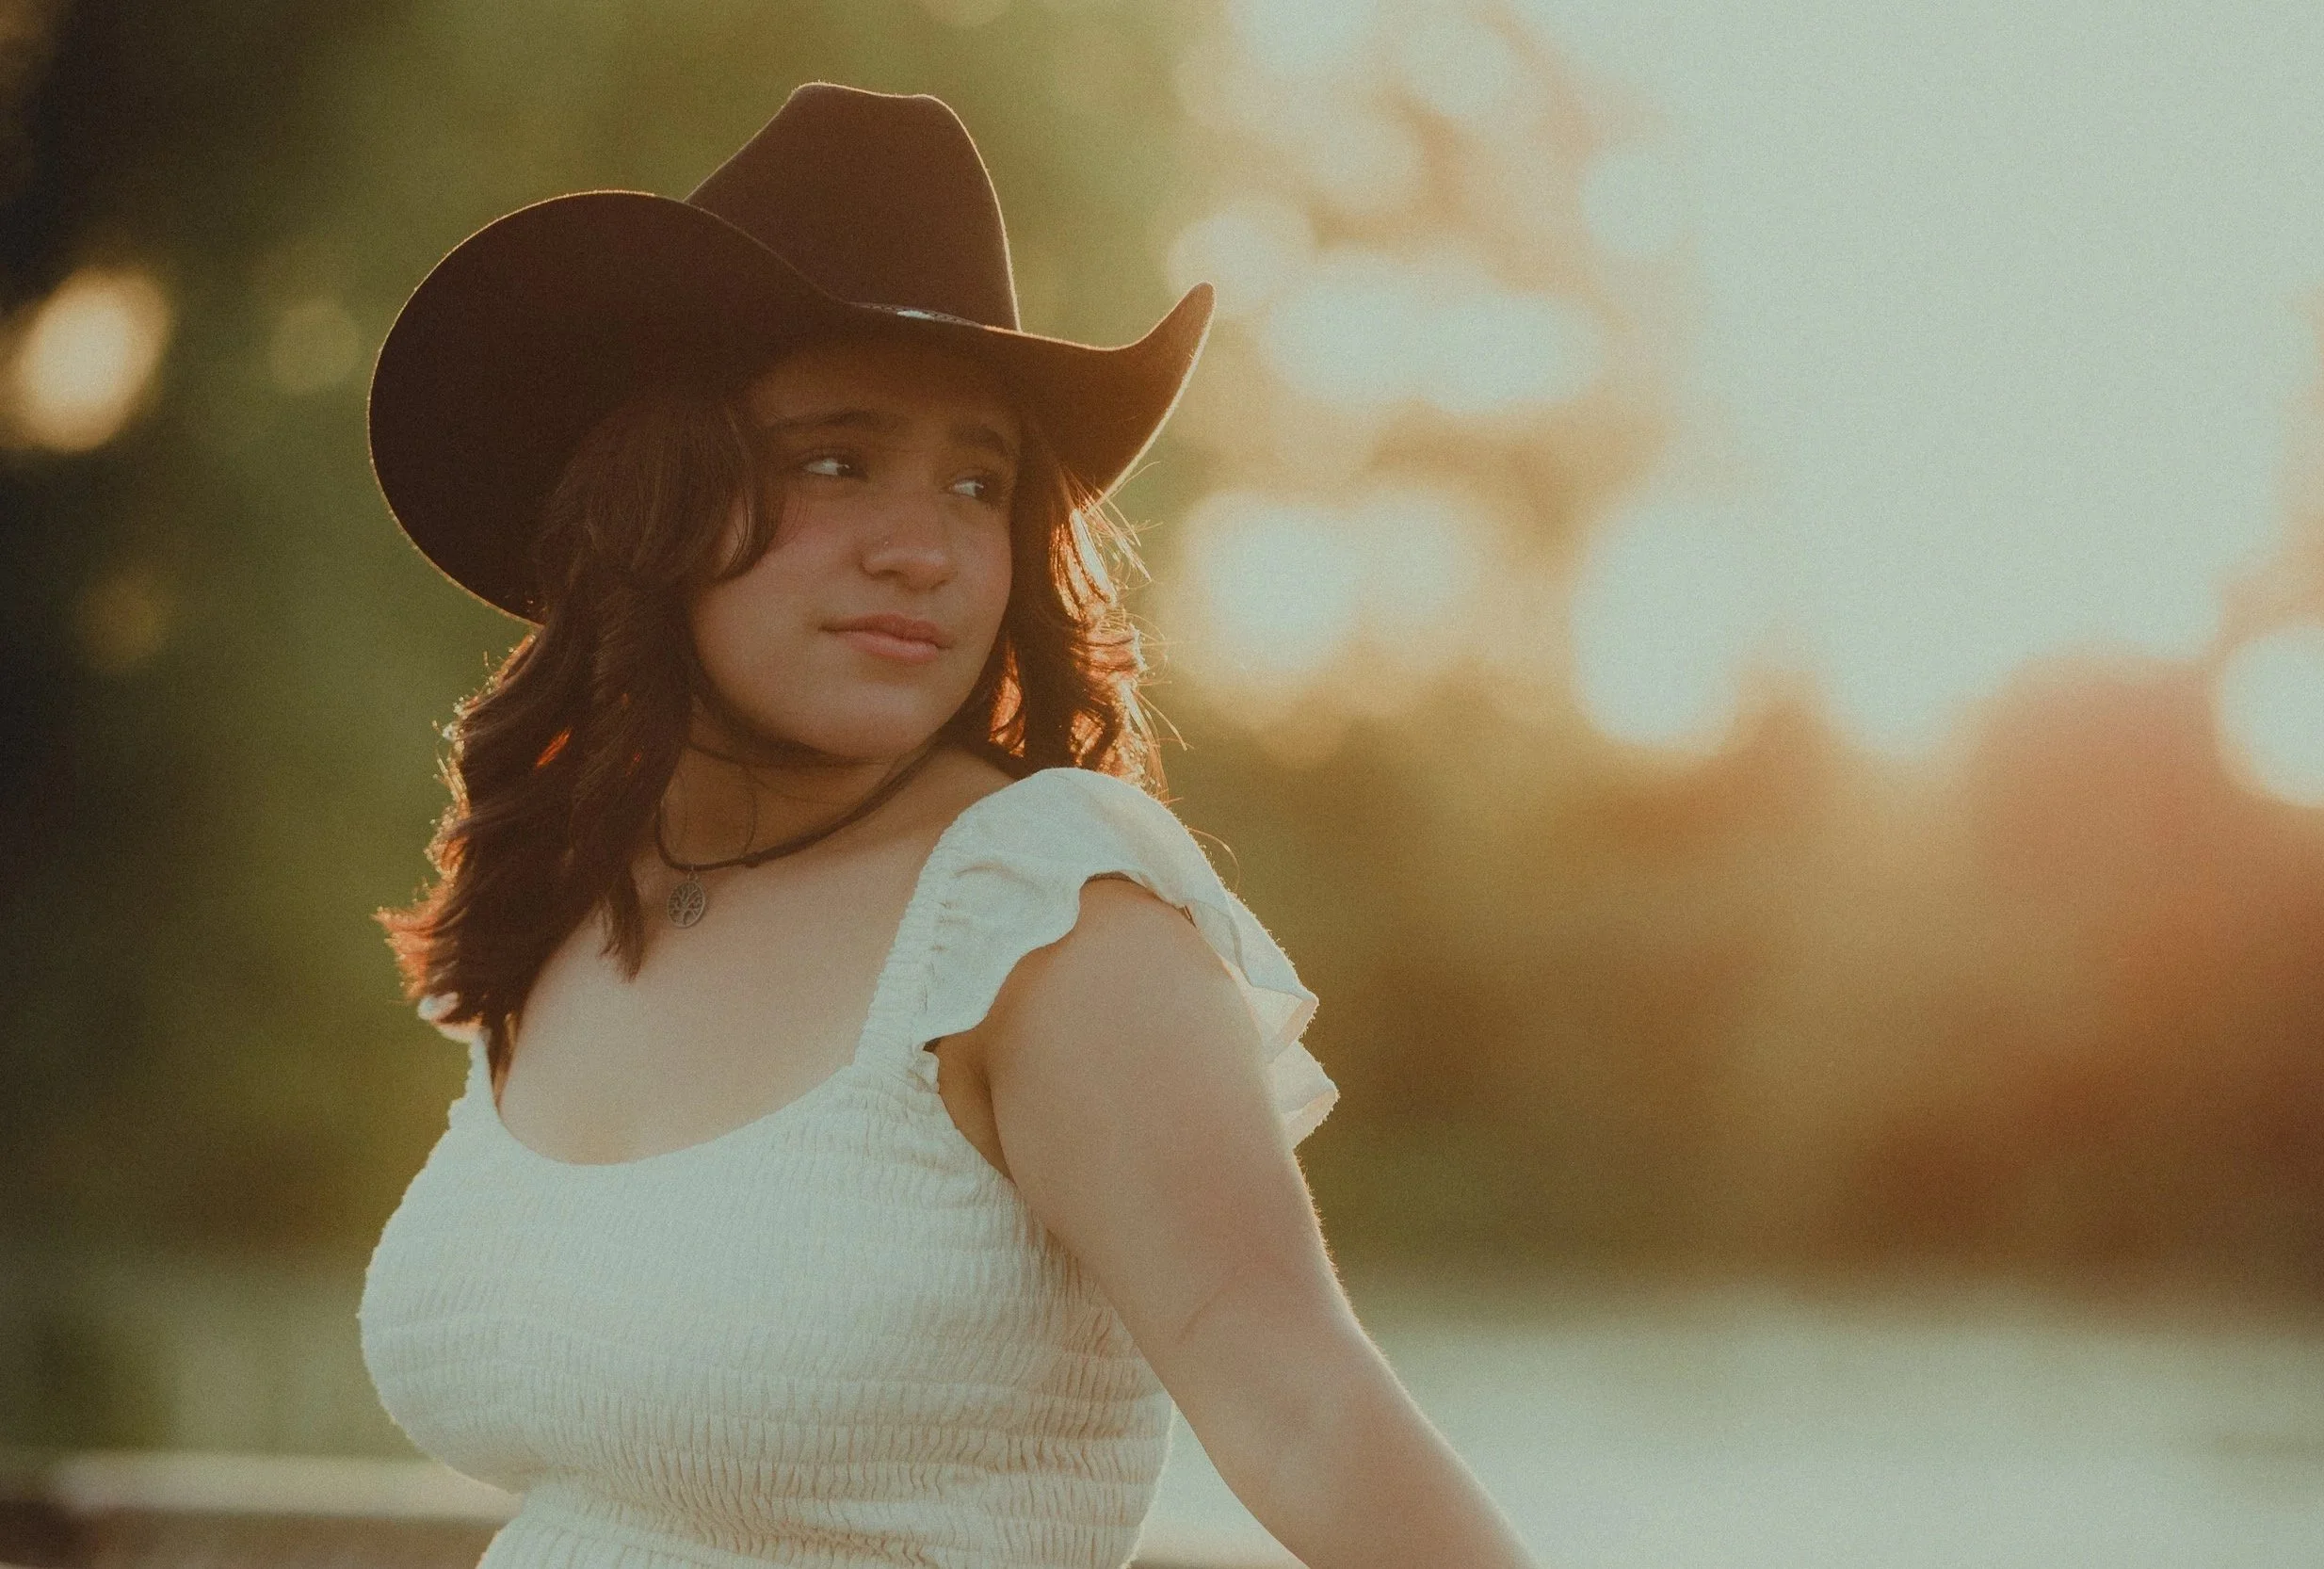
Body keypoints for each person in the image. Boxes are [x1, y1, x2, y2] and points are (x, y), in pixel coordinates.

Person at [356, 82, 1539, 1569]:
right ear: (648, 499)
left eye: (977, 483)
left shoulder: (1038, 912)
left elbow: (1307, 1406)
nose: (921, 549)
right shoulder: (581, 896)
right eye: (833, 461)